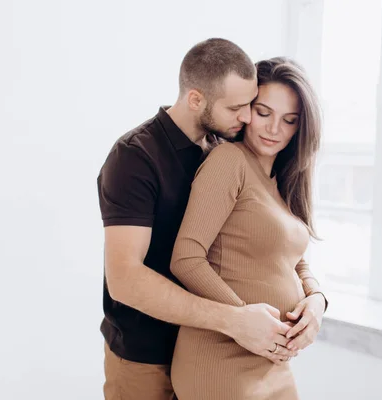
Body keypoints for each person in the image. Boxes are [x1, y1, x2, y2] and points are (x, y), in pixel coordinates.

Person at [96, 39, 299, 400]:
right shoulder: (134, 158)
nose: (248, 118)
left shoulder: (222, 150)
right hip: (147, 356)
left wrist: (314, 299)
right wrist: (236, 320)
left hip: (212, 349)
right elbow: (124, 280)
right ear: (195, 100)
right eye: (237, 108)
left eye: (250, 105)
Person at [170, 57, 328, 400]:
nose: (274, 129)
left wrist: (316, 299)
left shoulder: (282, 182)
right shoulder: (229, 162)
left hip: (271, 359)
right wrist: (243, 318)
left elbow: (294, 261)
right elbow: (186, 257)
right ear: (245, 110)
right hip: (221, 356)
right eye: (264, 112)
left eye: (289, 120)